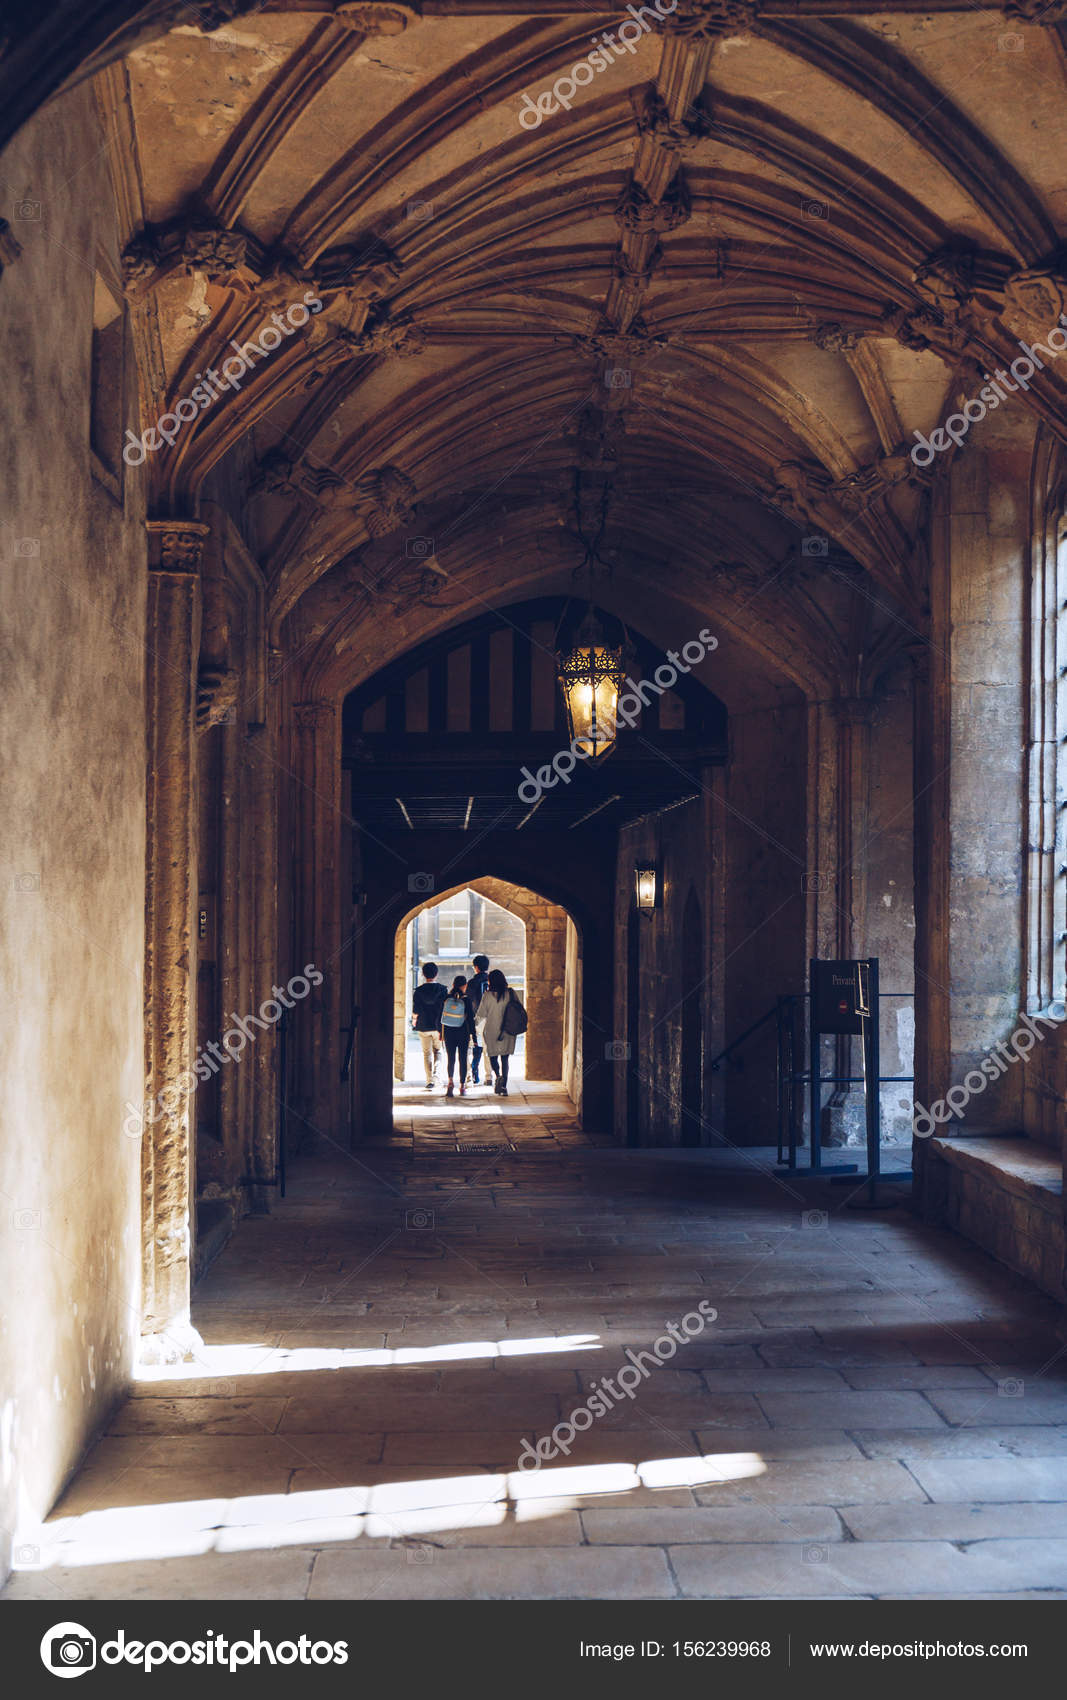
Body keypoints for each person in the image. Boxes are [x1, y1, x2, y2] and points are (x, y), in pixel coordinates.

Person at [476, 967, 519, 1096]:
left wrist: (474, 1025)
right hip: (508, 1029)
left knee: (493, 1056)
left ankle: (498, 1076)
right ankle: (504, 1085)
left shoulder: (487, 995)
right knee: (505, 1059)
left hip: (491, 1030)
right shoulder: (510, 993)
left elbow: (481, 1014)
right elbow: (518, 1008)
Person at [411, 960, 446, 1089]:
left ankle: (429, 1080)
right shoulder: (442, 990)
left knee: (427, 1053)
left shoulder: (418, 991)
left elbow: (416, 1010)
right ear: (436, 974)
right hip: (437, 1026)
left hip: (423, 1025)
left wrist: (414, 1020)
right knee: (438, 1051)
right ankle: (437, 1076)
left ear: (423, 974)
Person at [441, 974, 474, 1098]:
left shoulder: (446, 998)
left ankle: (450, 1083)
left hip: (449, 1032)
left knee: (451, 1058)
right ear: (464, 986)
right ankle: (462, 1086)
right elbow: (471, 1019)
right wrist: (474, 1036)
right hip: (463, 1032)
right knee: (463, 1058)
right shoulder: (466, 999)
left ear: (453, 985)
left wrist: (441, 1032)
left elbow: (440, 1017)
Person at [465, 953, 490, 1085]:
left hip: (475, 1019)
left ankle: (470, 1074)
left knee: (470, 1047)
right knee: (488, 1048)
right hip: (489, 1019)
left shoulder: (472, 983)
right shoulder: (492, 981)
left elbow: (467, 1002)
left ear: (476, 967)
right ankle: (489, 1076)